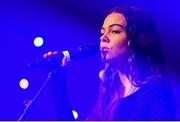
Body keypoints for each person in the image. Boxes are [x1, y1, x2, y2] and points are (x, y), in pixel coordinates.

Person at [44, 6, 176, 121]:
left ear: (138, 40)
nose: (103, 37)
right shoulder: (110, 95)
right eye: (102, 32)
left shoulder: (156, 92)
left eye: (115, 31)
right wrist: (58, 79)